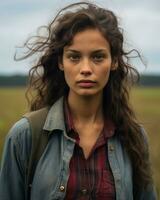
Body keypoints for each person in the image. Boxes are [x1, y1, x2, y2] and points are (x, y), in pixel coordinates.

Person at [0, 2, 157, 200]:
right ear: (60, 62)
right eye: (74, 57)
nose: (85, 69)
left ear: (114, 61)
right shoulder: (24, 136)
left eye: (98, 57)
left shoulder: (133, 138)